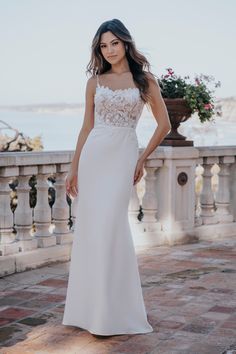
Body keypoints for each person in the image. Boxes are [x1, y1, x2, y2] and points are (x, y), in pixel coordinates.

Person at [62, 18, 171, 337]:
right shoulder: (95, 82)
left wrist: (141, 157)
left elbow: (163, 125)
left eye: (114, 43)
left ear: (126, 43)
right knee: (92, 231)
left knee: (112, 228)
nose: (109, 50)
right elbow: (86, 127)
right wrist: (73, 167)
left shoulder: (145, 80)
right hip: (94, 156)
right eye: (103, 45)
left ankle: (115, 312)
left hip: (123, 154)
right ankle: (89, 311)